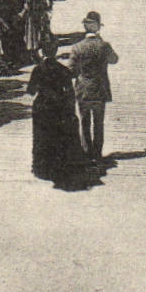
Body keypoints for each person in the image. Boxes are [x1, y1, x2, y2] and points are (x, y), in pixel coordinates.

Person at [26, 41, 84, 183]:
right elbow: (70, 91)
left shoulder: (38, 69)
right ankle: (58, 165)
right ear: (56, 51)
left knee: (41, 137)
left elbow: (31, 91)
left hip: (42, 107)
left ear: (42, 52)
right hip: (58, 107)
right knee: (57, 136)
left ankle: (41, 167)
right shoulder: (63, 70)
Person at [68, 10, 119, 161]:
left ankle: (86, 151)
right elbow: (114, 60)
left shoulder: (77, 47)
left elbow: (71, 70)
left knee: (84, 122)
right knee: (98, 122)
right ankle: (97, 153)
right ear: (98, 28)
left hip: (83, 89)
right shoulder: (104, 46)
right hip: (100, 89)